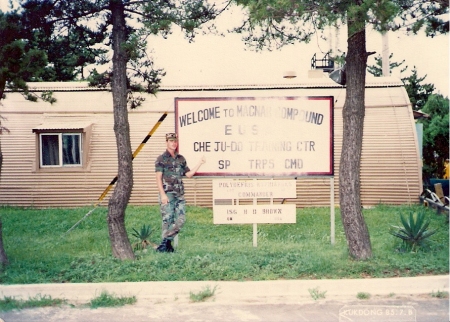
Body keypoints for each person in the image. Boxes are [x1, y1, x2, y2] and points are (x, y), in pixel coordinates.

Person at [154, 133, 205, 252]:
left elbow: (188, 174)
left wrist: (200, 163)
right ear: (166, 142)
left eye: (175, 141)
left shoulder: (181, 158)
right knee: (167, 220)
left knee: (181, 219)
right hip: (168, 194)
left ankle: (165, 242)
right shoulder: (161, 159)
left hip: (179, 194)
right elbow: (158, 178)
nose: (173, 143)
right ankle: (166, 246)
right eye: (171, 141)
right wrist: (162, 195)